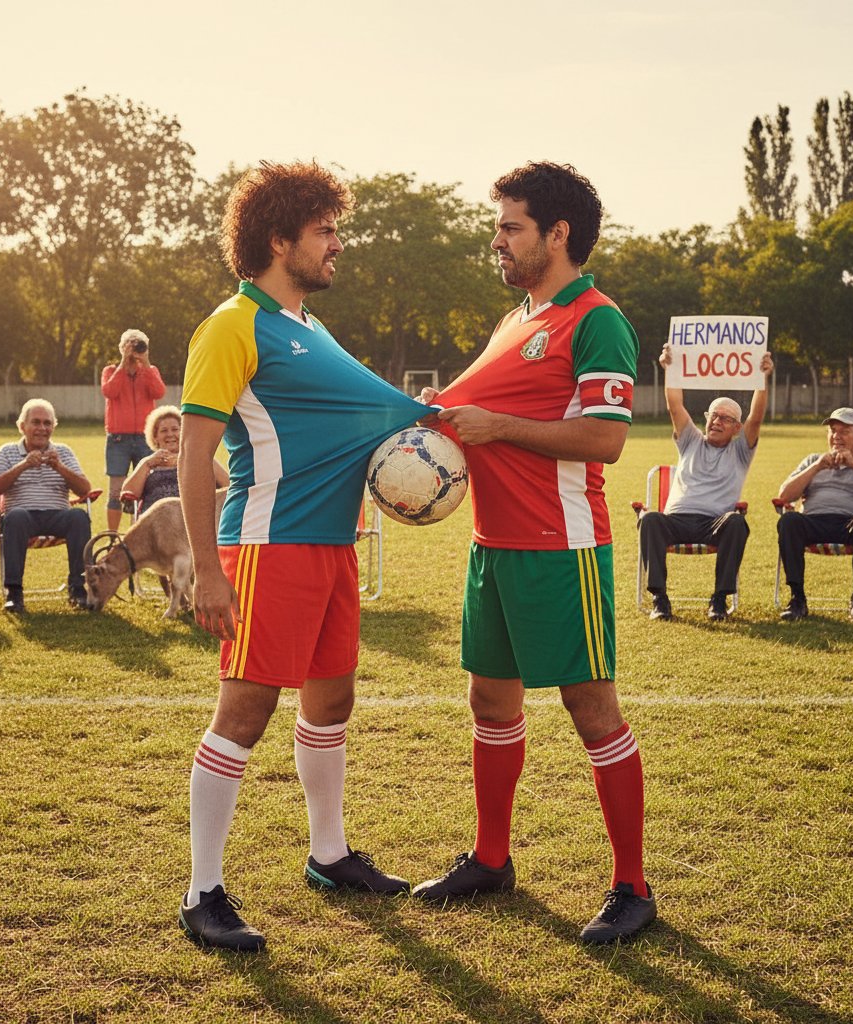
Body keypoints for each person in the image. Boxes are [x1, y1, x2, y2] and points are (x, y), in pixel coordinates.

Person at [177, 160, 429, 952]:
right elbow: (192, 458)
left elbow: (375, 409)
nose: (338, 245)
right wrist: (208, 569)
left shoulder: (309, 328)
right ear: (278, 238)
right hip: (264, 545)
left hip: (331, 546)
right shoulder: (232, 324)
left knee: (332, 704)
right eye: (325, 231)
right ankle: (202, 893)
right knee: (244, 714)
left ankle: (328, 856)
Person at [410, 161, 655, 944]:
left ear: (558, 234)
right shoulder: (515, 320)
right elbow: (455, 410)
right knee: (491, 703)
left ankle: (633, 887)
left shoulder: (596, 318)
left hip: (562, 550)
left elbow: (607, 441)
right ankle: (490, 859)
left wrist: (498, 427)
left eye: (511, 227)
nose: (497, 241)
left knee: (591, 712)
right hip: (494, 547)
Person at [638, 344, 773, 621]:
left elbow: (756, 418)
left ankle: (719, 600)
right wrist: (671, 369)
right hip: (676, 520)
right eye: (714, 415)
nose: (717, 421)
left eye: (726, 418)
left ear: (737, 428)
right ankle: (660, 600)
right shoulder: (690, 441)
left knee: (736, 521)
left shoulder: (739, 452)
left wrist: (762, 379)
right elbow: (674, 405)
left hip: (713, 524)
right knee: (650, 519)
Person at [776, 408, 853, 623]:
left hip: (852, 524)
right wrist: (816, 467)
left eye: (844, 431)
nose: (836, 436)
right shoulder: (813, 460)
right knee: (789, 520)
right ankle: (797, 599)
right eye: (832, 431)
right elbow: (785, 496)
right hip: (814, 521)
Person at [0, 399, 93, 614]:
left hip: (57, 515)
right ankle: (13, 592)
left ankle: (78, 588)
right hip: (22, 517)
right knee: (16, 516)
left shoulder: (63, 451)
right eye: (36, 422)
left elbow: (84, 489)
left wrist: (59, 467)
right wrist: (22, 466)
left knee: (79, 517)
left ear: (53, 426)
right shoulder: (7, 451)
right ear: (22, 426)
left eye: (47, 423)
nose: (42, 429)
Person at [101, 328, 166, 531]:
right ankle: (112, 536)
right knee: (115, 491)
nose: (134, 348)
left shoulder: (149, 371)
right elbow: (109, 391)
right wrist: (123, 363)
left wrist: (145, 363)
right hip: (118, 439)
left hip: (144, 439)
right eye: (130, 344)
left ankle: (136, 535)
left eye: (138, 344)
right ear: (122, 348)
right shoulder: (110, 371)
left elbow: (159, 392)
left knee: (142, 490)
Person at [122, 406, 227, 515]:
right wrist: (146, 464)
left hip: (192, 519)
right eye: (163, 430)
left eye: (175, 429)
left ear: (184, 433)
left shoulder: (198, 459)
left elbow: (229, 485)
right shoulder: (148, 464)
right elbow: (128, 493)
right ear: (155, 437)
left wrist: (188, 460)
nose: (170, 434)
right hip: (155, 522)